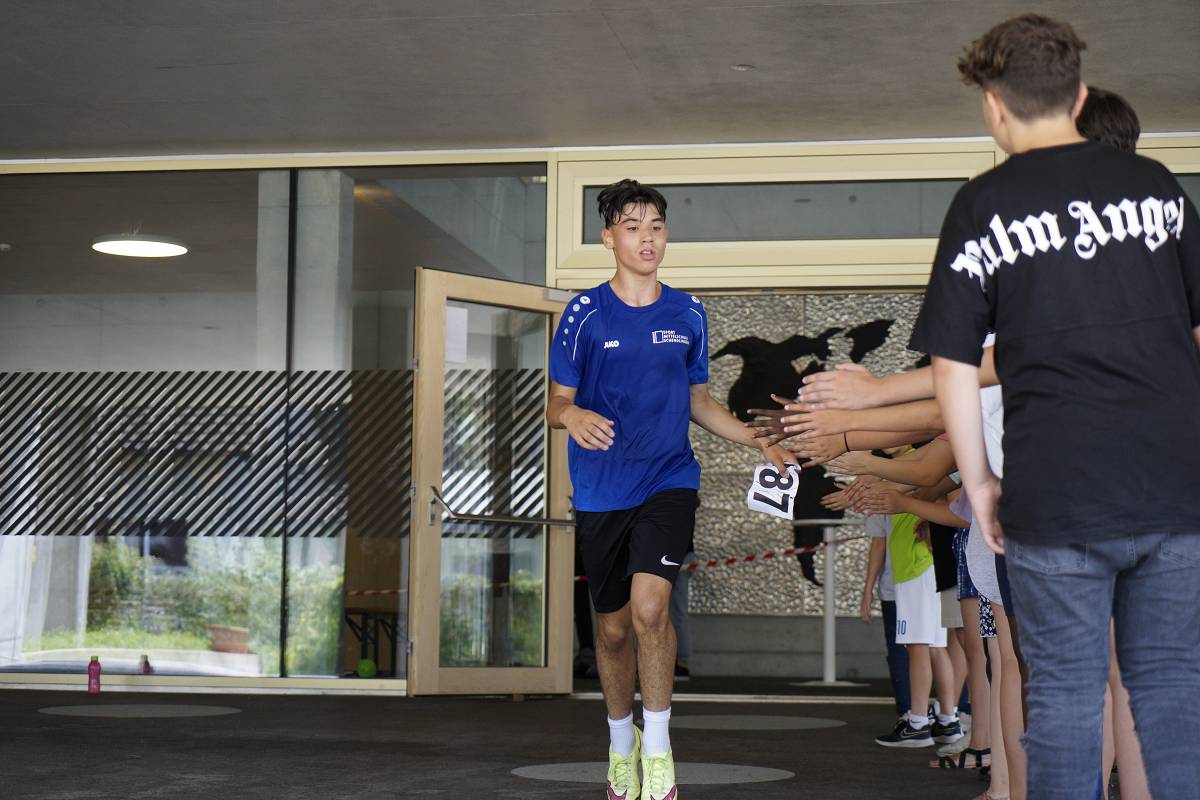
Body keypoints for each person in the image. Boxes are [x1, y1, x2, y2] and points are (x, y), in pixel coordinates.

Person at [911, 14, 1200, 799]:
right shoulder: (1156, 188)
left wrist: (978, 483)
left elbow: (953, 363)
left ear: (993, 106)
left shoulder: (982, 206)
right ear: (1078, 96)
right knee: (1172, 688)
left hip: (1055, 493)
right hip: (1174, 487)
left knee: (1066, 693)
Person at [548, 178, 793, 800]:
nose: (647, 238)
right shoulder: (583, 313)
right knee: (611, 631)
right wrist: (571, 415)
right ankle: (620, 743)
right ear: (609, 238)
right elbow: (555, 401)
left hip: (669, 479)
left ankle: (657, 751)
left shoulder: (688, 312)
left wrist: (756, 440)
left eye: (655, 227)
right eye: (632, 227)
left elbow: (699, 401)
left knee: (651, 609)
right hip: (602, 490)